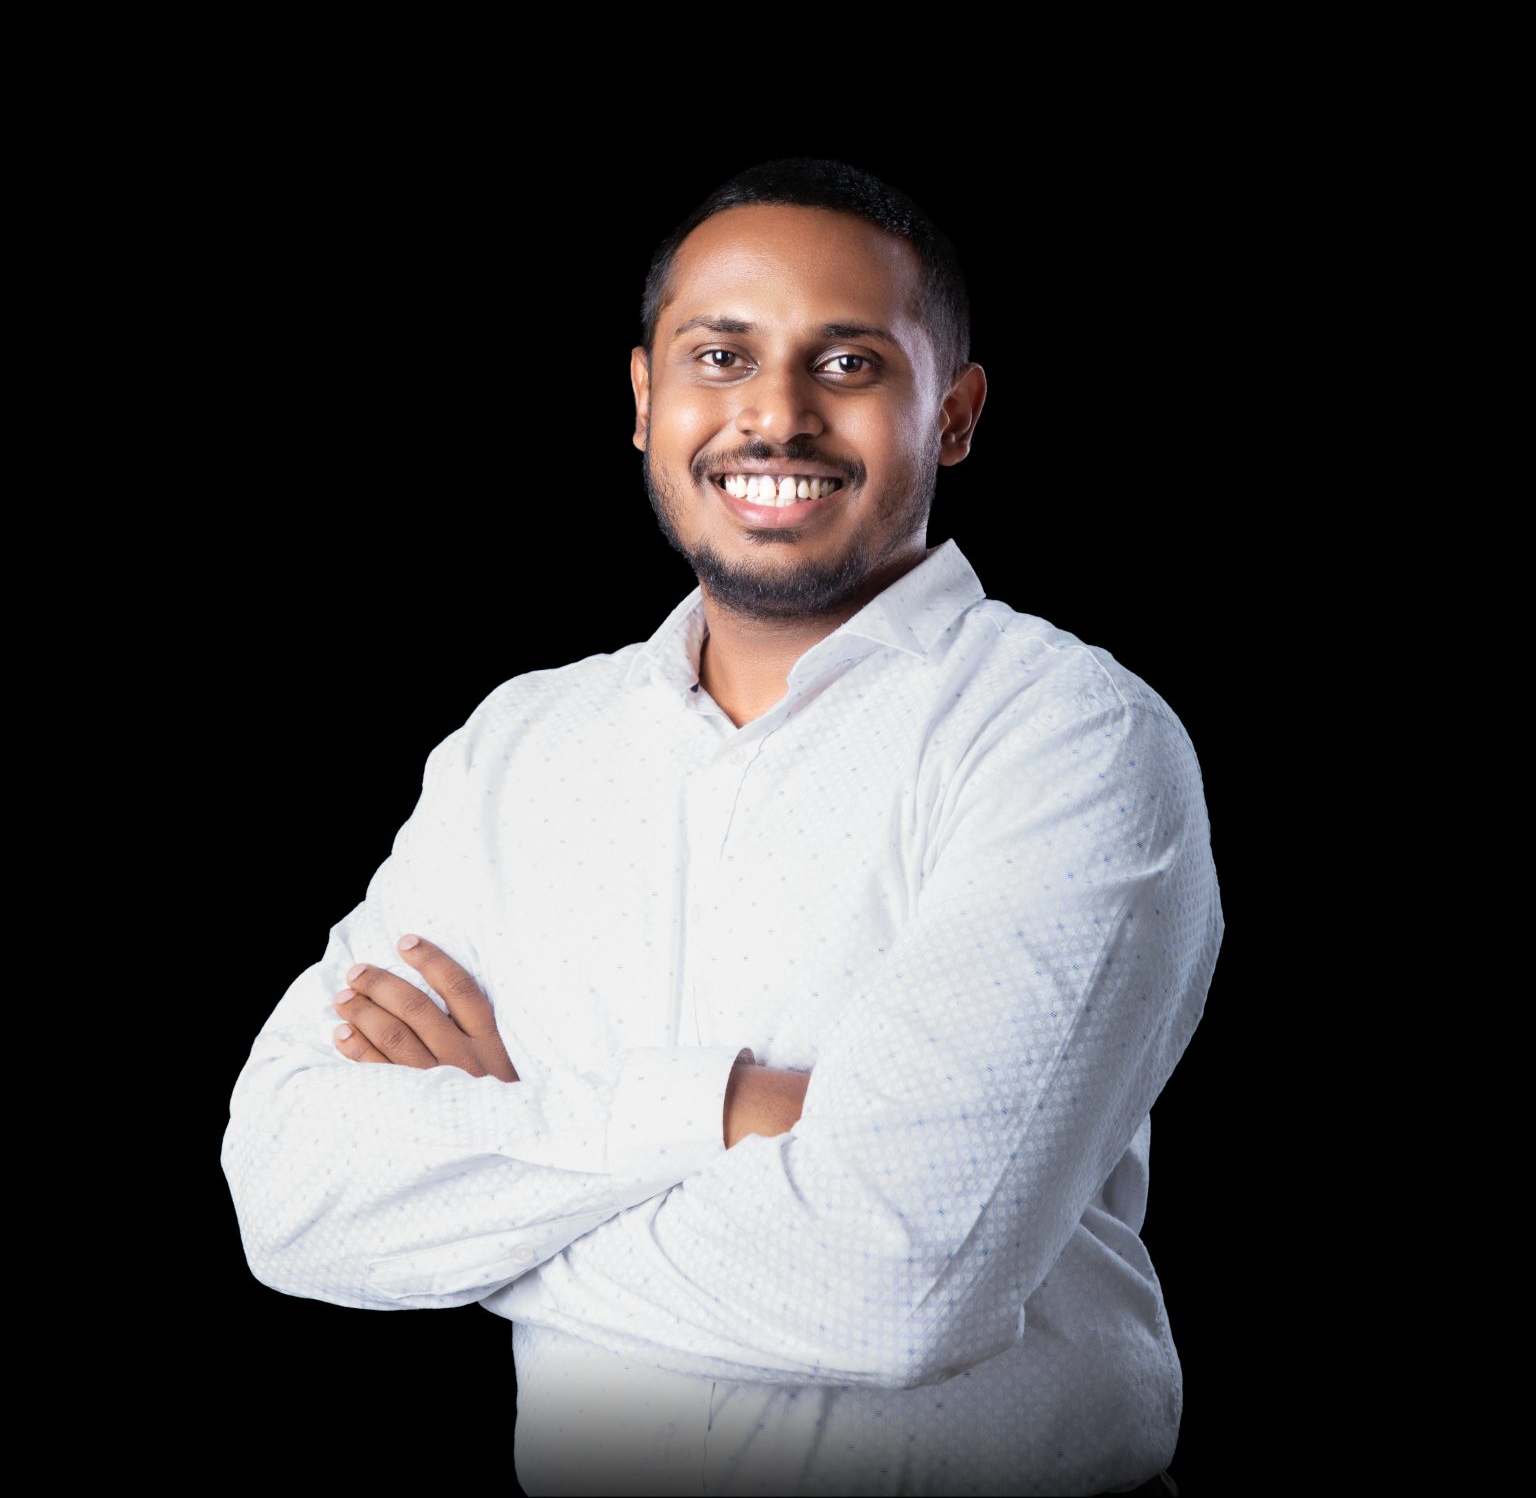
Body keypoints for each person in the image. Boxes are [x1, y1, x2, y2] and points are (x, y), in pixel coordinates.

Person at [221, 156, 1223, 1498]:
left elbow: (896, 1282)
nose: (777, 416)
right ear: (646, 399)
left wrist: (480, 1201)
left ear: (955, 414)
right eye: (722, 357)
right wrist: (727, 1113)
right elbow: (291, 1195)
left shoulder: (1069, 740)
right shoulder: (519, 748)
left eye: (849, 363)